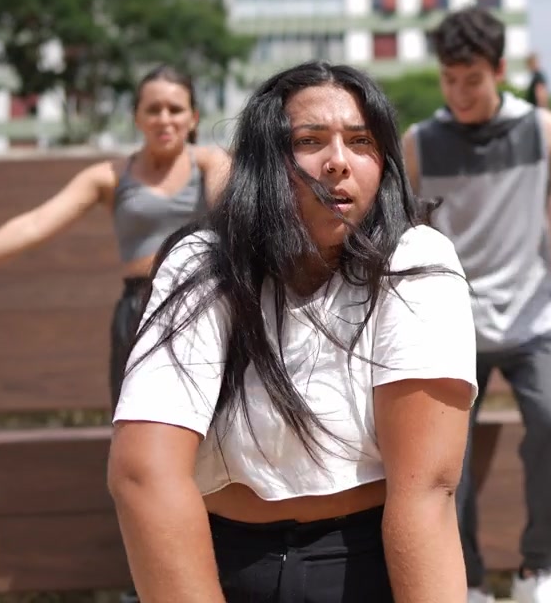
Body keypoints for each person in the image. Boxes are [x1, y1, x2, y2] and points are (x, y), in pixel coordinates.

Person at [108, 60, 478, 603]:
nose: (338, 161)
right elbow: (144, 474)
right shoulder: (202, 263)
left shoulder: (417, 262)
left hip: (368, 561)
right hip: (220, 563)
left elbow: (426, 490)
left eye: (361, 141)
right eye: (309, 141)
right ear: (265, 160)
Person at [402, 6, 551, 603]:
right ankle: (465, 580)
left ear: (499, 70)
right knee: (446, 456)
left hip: (534, 316)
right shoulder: (421, 143)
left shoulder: (541, 129)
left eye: (472, 79)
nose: (459, 93)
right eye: (448, 79)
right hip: (452, 324)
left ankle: (538, 571)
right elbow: (397, 223)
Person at [0, 64, 231, 413]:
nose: (164, 119)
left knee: (211, 421)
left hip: (200, 300)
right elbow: (35, 224)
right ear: (137, 117)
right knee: (137, 423)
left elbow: (230, 215)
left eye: (175, 109)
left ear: (193, 118)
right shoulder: (109, 176)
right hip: (139, 305)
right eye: (153, 109)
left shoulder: (211, 163)